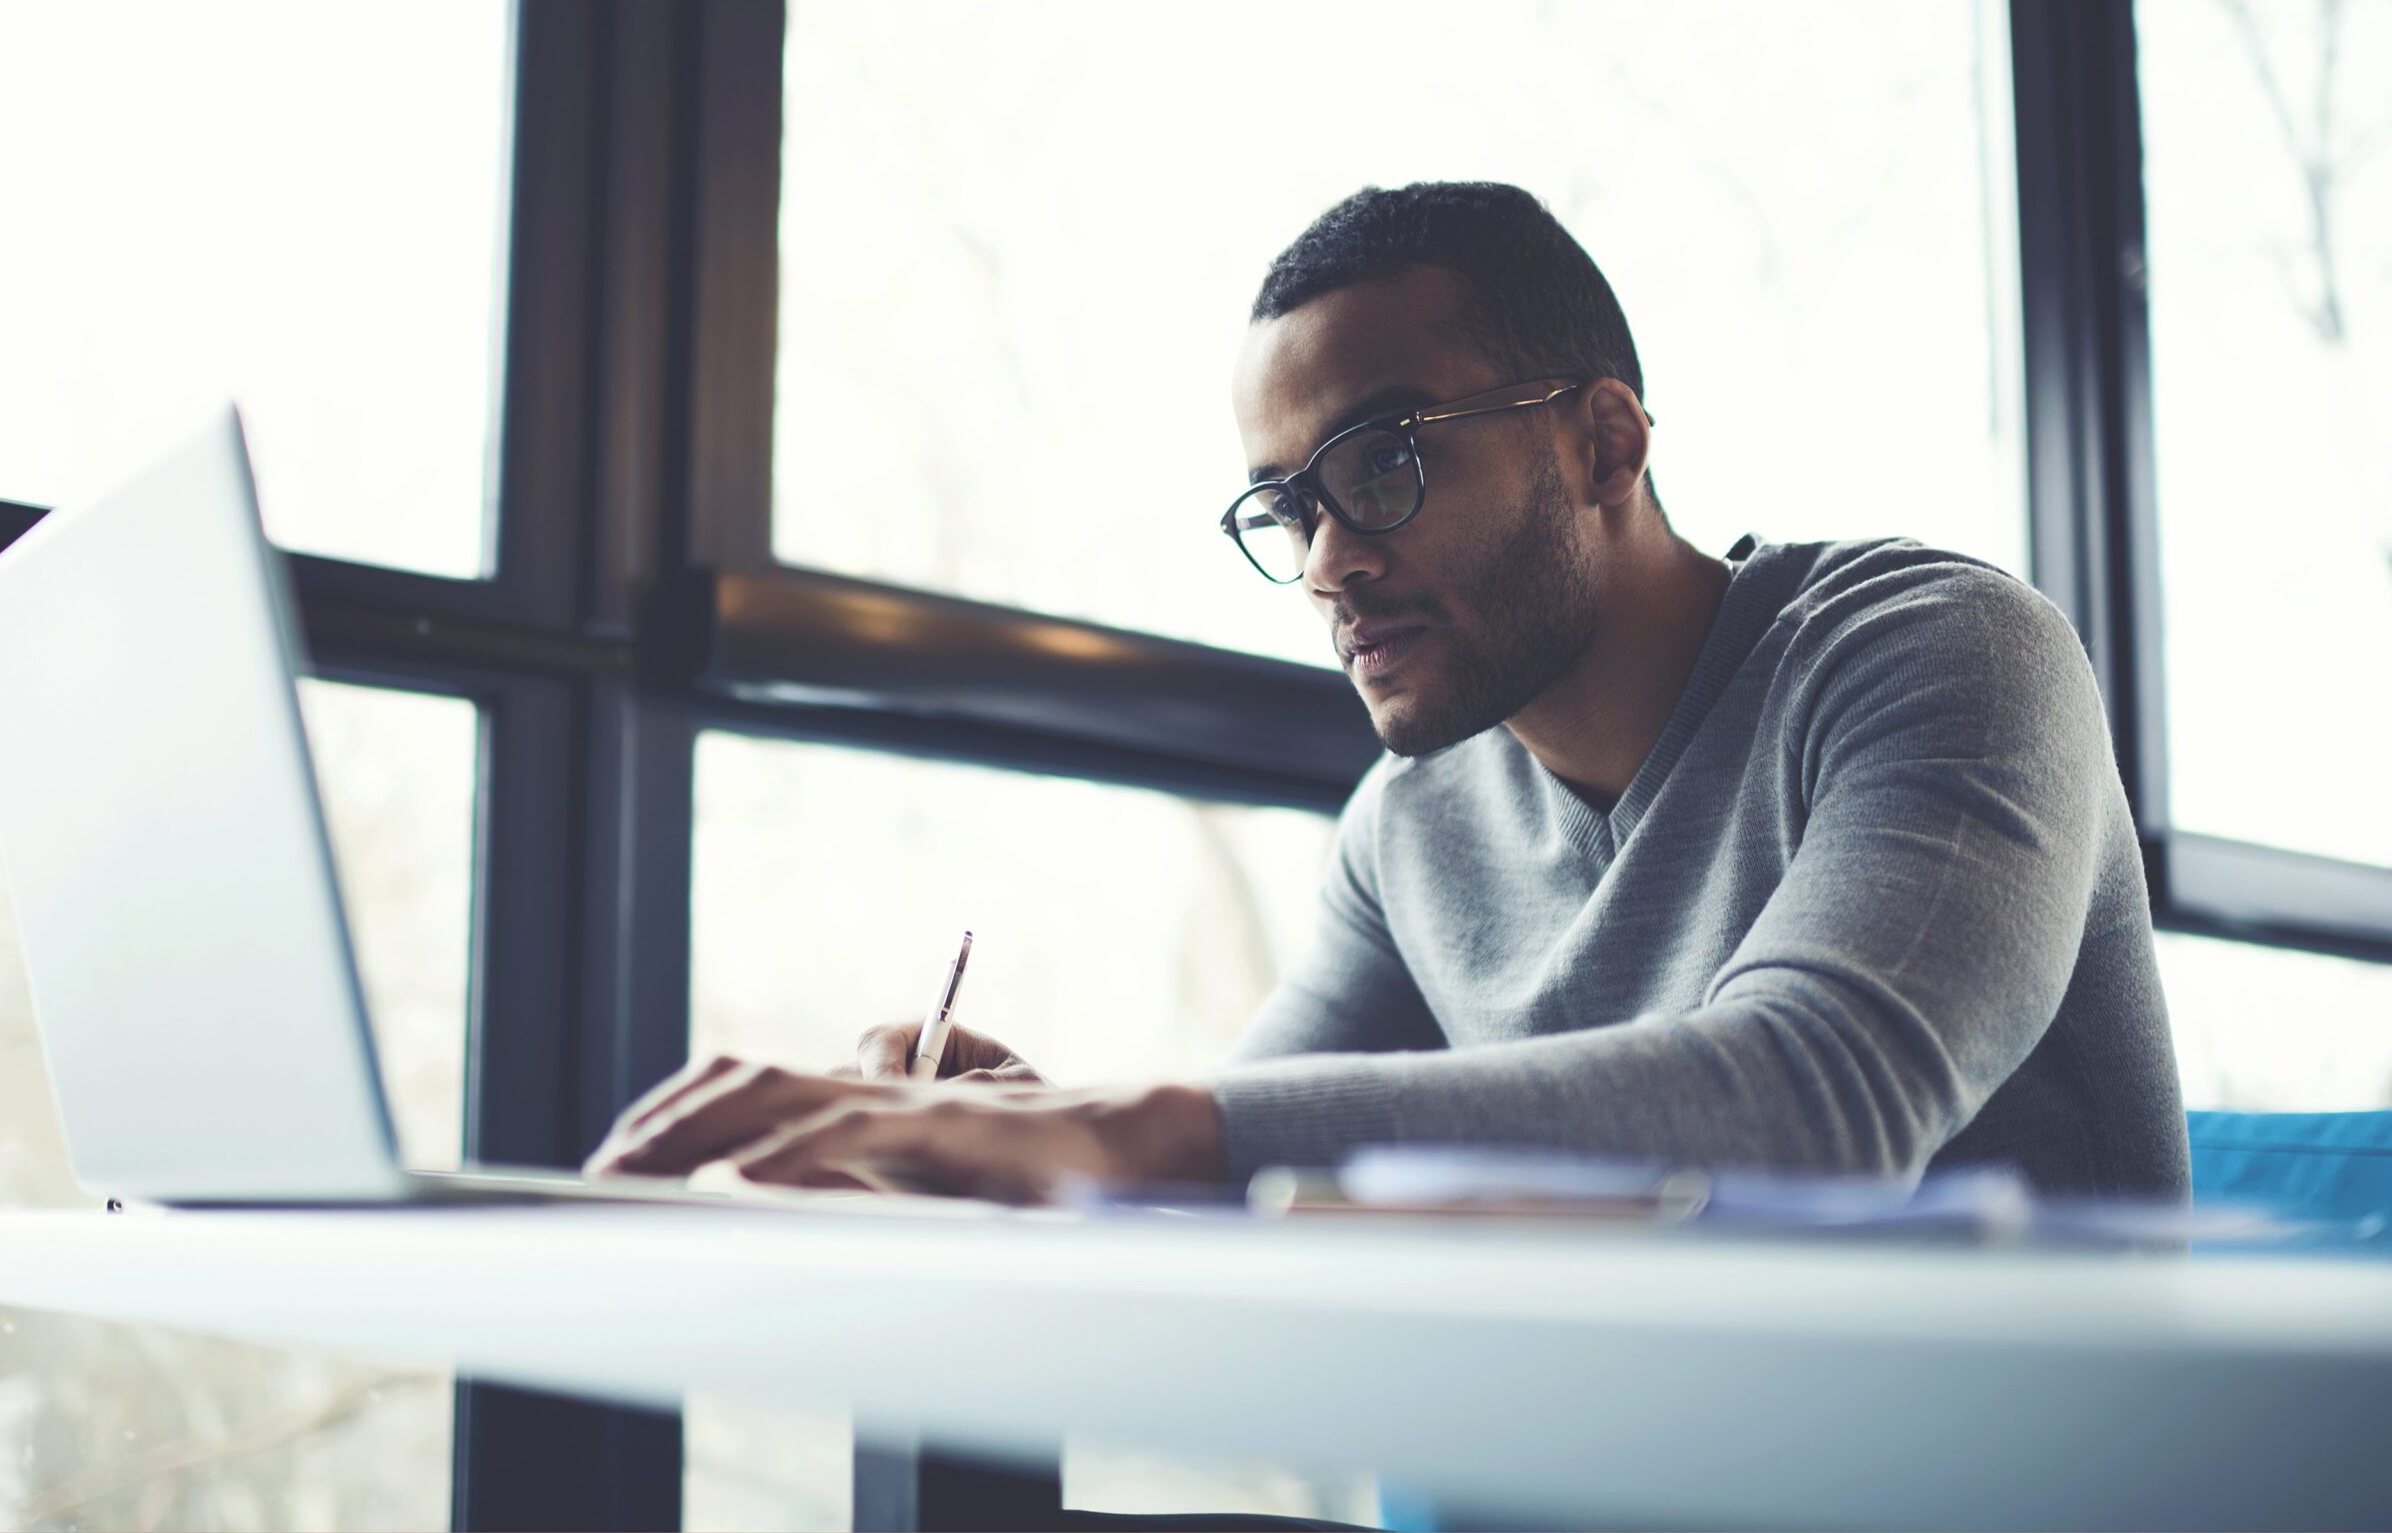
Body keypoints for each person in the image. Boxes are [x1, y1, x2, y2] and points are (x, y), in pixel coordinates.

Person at [586, 180, 2190, 1206]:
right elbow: (1262, 1152)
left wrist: (1138, 1131)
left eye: (1391, 462)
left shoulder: (1937, 654)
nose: (1328, 563)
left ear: (1606, 442)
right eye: (1289, 508)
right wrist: (1033, 1140)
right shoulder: (1410, 829)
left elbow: (1821, 1100)